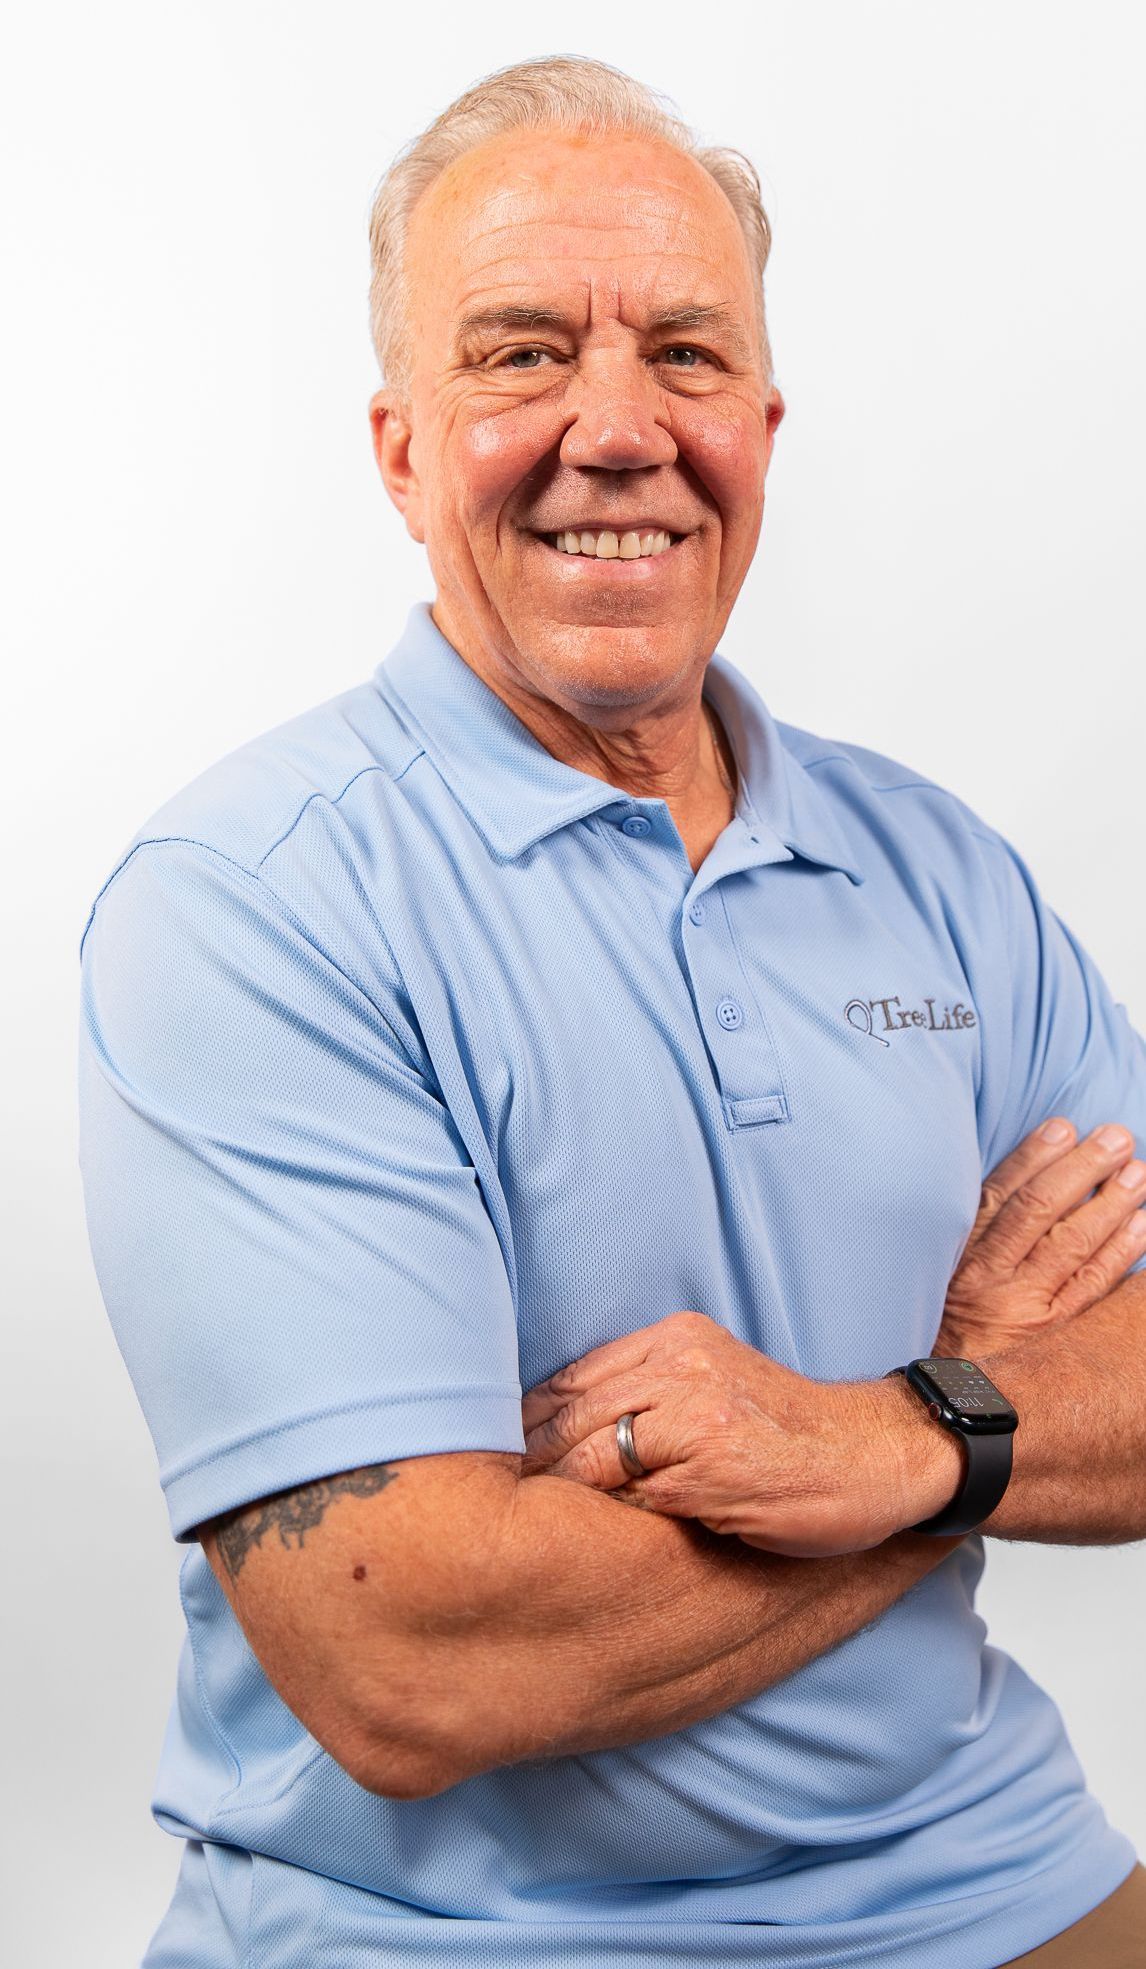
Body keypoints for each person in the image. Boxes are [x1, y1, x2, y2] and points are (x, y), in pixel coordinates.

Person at [76, 53, 1146, 1969]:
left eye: (681, 350)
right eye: (516, 354)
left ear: (761, 421)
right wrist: (962, 1418)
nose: (615, 426)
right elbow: (414, 1660)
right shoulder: (253, 907)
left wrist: (872, 1430)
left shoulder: (940, 871)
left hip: (995, 1881)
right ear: (400, 453)